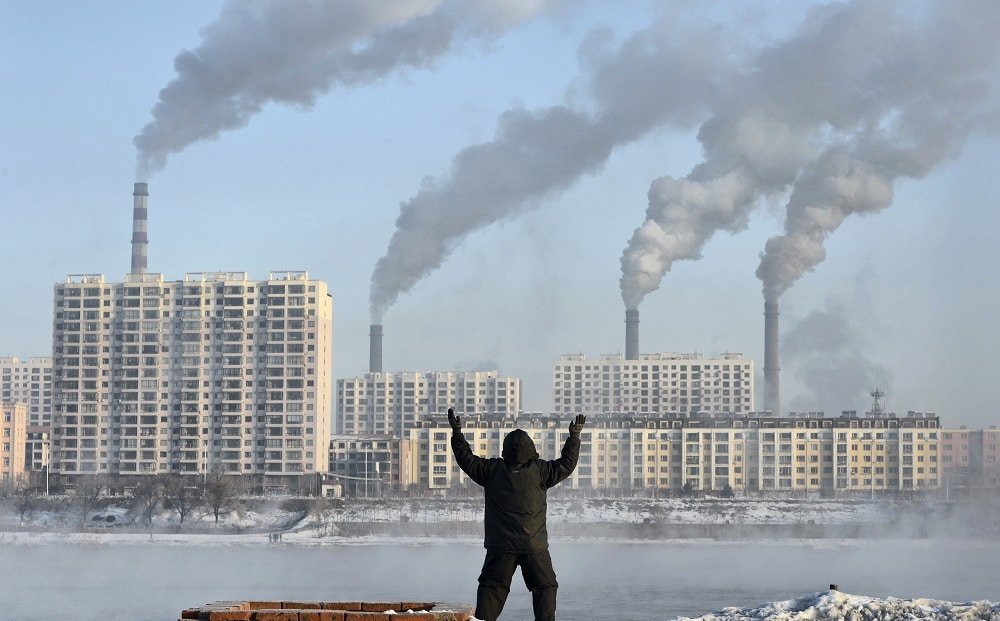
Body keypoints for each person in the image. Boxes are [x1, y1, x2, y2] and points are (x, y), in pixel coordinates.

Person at [448, 407, 585, 621]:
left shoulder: (492, 471)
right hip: (534, 546)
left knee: (492, 588)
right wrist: (574, 437)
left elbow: (466, 459)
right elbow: (567, 464)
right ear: (531, 449)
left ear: (505, 450)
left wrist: (457, 433)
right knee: (545, 586)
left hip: (501, 546)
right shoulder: (541, 471)